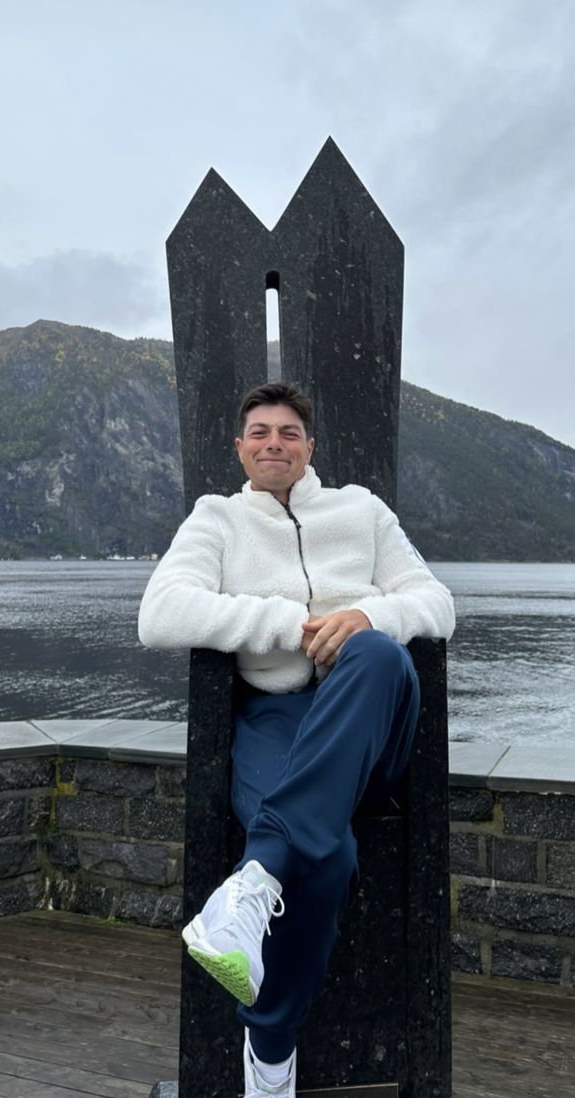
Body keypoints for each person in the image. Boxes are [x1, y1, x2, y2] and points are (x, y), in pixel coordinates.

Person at [138, 382, 455, 1098]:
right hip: (277, 718)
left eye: (287, 432)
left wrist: (368, 615)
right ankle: (271, 1053)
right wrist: (289, 624)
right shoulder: (216, 519)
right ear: (240, 448)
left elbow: (438, 602)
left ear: (309, 448)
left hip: (369, 720)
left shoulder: (362, 511)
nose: (273, 443)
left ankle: (253, 885)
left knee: (377, 653)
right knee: (329, 855)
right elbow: (159, 614)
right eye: (259, 432)